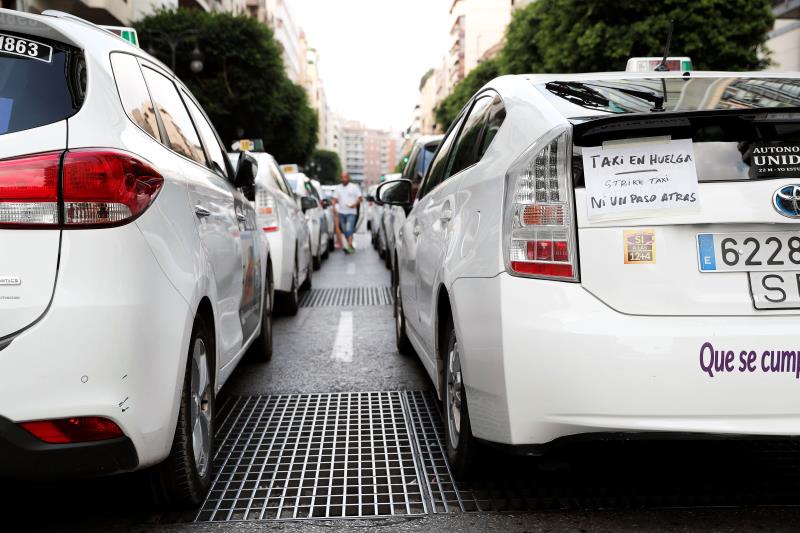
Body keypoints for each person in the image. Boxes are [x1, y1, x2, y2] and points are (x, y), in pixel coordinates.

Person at [332, 172, 362, 254]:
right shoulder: (338, 188)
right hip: (341, 212)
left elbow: (360, 198)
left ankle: (349, 246)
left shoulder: (354, 187)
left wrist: (354, 205)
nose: (343, 179)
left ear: (348, 178)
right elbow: (334, 199)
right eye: (342, 178)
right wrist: (334, 207)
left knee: (349, 229)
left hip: (351, 213)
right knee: (345, 230)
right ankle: (350, 244)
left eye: (345, 178)